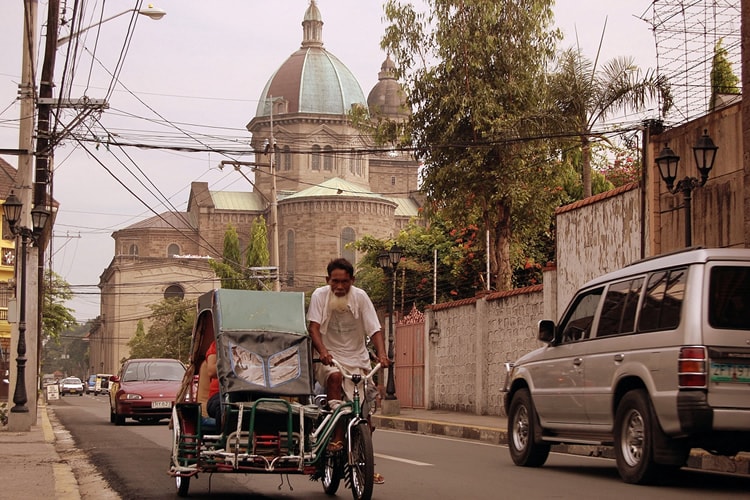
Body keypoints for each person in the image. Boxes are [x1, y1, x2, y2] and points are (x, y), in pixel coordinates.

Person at [308, 257, 389, 484]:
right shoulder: (319, 296)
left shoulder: (361, 298)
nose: (340, 287)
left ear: (352, 280)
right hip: (329, 358)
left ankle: (364, 463)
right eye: (335, 281)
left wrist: (381, 355)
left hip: (358, 360)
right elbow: (313, 328)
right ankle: (336, 437)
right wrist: (322, 351)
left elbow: (375, 329)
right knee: (334, 377)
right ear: (328, 280)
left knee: (365, 419)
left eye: (345, 282)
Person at [205, 340, 221, 422]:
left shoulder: (258, 344)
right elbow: (211, 371)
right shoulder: (218, 344)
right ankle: (224, 433)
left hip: (253, 392)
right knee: (223, 406)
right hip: (220, 394)